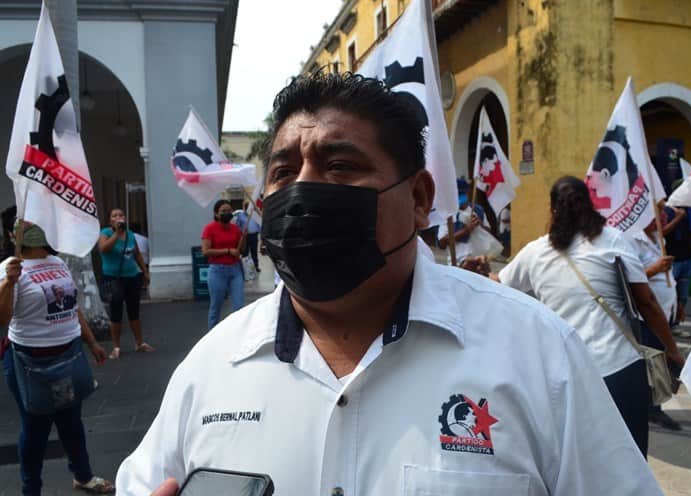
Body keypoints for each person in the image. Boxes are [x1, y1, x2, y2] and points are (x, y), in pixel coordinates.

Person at [117, 73, 663, 495]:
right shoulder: (213, 365)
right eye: (284, 173)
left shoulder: (537, 353)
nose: (304, 190)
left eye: (339, 166)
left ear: (420, 198)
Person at [498, 176, 684, 456]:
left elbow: (498, 285)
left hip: (565, 374)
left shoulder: (535, 253)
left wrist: (470, 270)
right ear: (589, 205)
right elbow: (646, 302)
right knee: (629, 459)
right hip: (620, 368)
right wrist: (671, 351)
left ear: (552, 211)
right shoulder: (613, 240)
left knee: (579, 461)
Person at [0, 223, 113, 495]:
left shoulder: (58, 263)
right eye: (26, 226)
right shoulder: (9, 267)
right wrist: (8, 283)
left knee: (71, 422)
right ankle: (31, 489)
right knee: (35, 429)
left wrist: (92, 342)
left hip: (69, 354)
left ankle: (83, 475)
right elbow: (2, 319)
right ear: (14, 234)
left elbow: (72, 308)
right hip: (30, 363)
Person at [631, 205, 682, 431]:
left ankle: (654, 408)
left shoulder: (656, 239)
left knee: (659, 363)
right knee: (655, 363)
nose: (663, 218)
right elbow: (630, 280)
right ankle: (653, 409)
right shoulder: (633, 241)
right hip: (648, 315)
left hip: (665, 310)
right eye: (658, 214)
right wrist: (654, 269)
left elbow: (668, 276)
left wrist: (677, 305)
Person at [98, 208, 154, 359]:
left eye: (121, 215)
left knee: (134, 310)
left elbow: (136, 254)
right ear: (110, 221)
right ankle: (116, 347)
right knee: (116, 312)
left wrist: (145, 272)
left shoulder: (130, 235)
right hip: (113, 278)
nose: (118, 217)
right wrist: (116, 233)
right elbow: (103, 248)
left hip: (131, 276)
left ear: (125, 218)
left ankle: (139, 342)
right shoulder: (106, 233)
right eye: (114, 215)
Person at [201, 199, 245, 330]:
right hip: (217, 271)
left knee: (239, 306)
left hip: (235, 270)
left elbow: (241, 250)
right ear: (216, 214)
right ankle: (212, 334)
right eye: (223, 211)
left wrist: (244, 238)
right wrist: (227, 251)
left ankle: (239, 334)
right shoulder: (209, 229)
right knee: (216, 306)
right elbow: (205, 251)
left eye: (229, 211)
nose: (227, 213)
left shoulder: (236, 229)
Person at [663, 191, 691, 324]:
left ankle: (676, 322)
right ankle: (668, 322)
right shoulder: (666, 212)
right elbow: (662, 232)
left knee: (683, 296)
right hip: (673, 259)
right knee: (670, 294)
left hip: (687, 259)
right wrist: (677, 218)